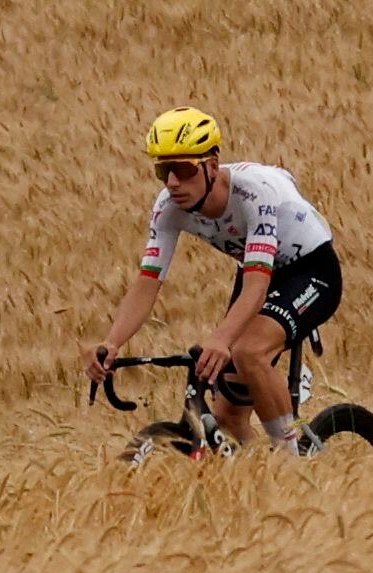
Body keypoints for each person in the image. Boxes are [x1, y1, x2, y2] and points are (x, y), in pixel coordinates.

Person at [84, 107, 341, 452]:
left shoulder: (255, 193)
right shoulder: (168, 207)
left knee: (249, 352)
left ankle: (292, 463)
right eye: (163, 170)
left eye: (183, 169)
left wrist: (221, 339)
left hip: (310, 271)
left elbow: (257, 286)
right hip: (255, 268)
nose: (173, 182)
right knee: (229, 417)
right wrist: (113, 342)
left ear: (212, 165)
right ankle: (258, 477)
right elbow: (148, 282)